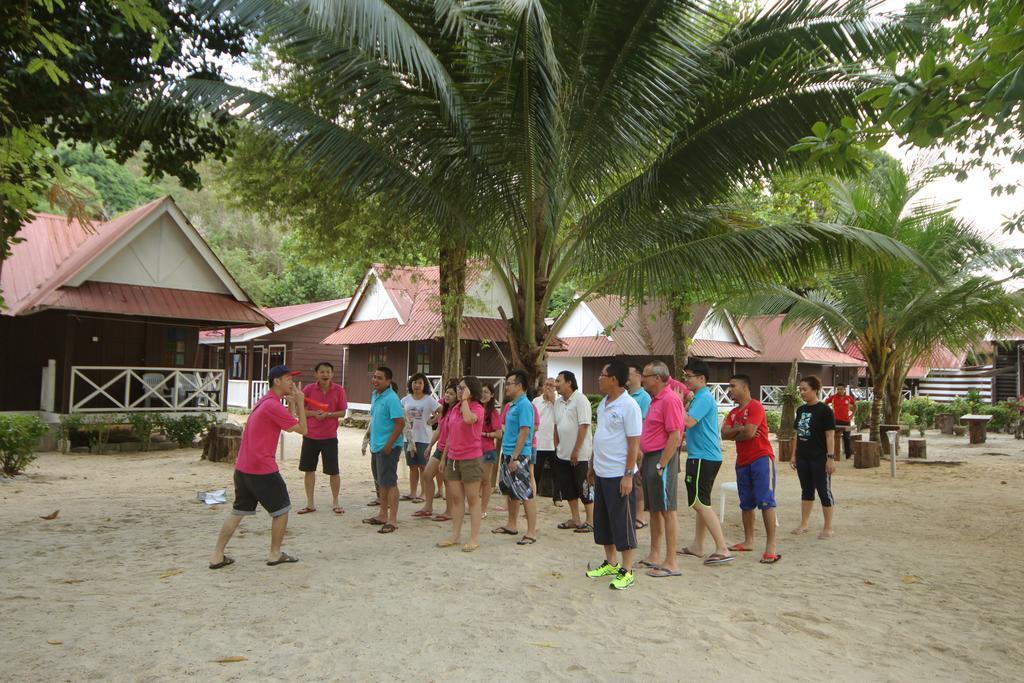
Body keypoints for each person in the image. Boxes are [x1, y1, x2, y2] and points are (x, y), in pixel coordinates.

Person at [209, 365, 307, 569]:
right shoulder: (273, 406)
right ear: (277, 382)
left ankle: (217, 555)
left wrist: (291, 406)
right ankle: (275, 553)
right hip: (262, 468)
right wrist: (300, 403)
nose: (292, 382)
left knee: (238, 511)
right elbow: (303, 430)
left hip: (243, 467)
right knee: (281, 510)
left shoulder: (265, 401)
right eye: (288, 379)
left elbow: (285, 425)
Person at [584, 361, 642, 590]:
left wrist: (628, 475)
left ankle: (627, 570)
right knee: (604, 520)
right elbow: (601, 436)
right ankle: (610, 562)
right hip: (601, 470)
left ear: (614, 380)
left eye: (602, 375)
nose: (599, 378)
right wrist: (591, 464)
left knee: (622, 521)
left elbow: (633, 443)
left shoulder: (629, 406)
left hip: (620, 473)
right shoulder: (604, 404)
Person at [677, 359, 733, 566]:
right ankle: (698, 546)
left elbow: (689, 422)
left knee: (699, 502)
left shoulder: (703, 397)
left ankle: (722, 547)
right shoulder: (700, 397)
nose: (686, 381)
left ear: (701, 378)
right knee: (702, 502)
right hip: (704, 456)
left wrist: (677, 402)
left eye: (689, 376)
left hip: (703, 457)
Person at [721, 374, 779, 564]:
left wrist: (737, 430)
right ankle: (748, 541)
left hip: (761, 458)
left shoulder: (755, 406)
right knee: (746, 503)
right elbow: (723, 434)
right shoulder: (733, 413)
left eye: (733, 386)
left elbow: (749, 432)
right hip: (743, 460)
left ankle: (771, 546)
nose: (730, 390)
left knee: (766, 501)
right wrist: (739, 430)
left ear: (745, 387)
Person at [635, 361, 685, 577]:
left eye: (644, 375)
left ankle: (671, 561)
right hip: (651, 458)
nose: (641, 378)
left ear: (657, 378)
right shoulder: (655, 400)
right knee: (655, 509)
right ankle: (655, 554)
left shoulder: (670, 400)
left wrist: (661, 464)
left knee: (667, 509)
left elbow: (675, 435)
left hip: (661, 458)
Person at [437, 376, 486, 551]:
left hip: (471, 458)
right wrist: (444, 458)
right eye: (458, 388)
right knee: (456, 499)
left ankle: (473, 538)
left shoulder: (477, 408)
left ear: (471, 390)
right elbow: (450, 434)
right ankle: (455, 535)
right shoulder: (455, 408)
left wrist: (465, 400)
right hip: (454, 458)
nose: (459, 391)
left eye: (462, 388)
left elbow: (468, 419)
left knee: (472, 499)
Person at [492, 368, 538, 545]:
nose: (507, 387)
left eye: (510, 383)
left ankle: (531, 532)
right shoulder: (513, 405)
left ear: (519, 385)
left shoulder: (525, 405)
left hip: (519, 455)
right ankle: (511, 524)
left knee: (525, 493)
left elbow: (525, 431)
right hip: (509, 453)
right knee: (511, 491)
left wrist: (516, 457)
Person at [296, 361, 348, 515]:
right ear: (316, 374)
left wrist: (328, 415)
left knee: (334, 471)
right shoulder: (309, 389)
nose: (325, 375)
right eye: (322, 372)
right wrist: (314, 414)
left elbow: (343, 412)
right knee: (309, 470)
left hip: (330, 437)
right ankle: (310, 503)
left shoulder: (339, 390)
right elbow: (301, 411)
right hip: (310, 435)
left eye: (328, 372)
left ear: (332, 374)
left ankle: (336, 501)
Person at [791, 375, 837, 539]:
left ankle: (828, 527)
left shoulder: (825, 410)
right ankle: (804, 524)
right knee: (806, 490)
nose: (802, 392)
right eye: (800, 390)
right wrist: (794, 455)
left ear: (815, 390)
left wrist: (830, 458)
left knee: (824, 491)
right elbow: (797, 434)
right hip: (803, 456)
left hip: (820, 457)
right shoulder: (801, 410)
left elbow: (830, 436)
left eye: (805, 389)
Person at [363, 367, 405, 534]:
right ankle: (382, 514)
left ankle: (393, 520)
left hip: (389, 447)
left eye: (380, 378)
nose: (375, 380)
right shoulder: (375, 395)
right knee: (381, 482)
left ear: (388, 381)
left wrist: (389, 444)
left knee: (390, 482)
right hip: (376, 446)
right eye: (374, 377)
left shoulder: (392, 398)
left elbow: (400, 423)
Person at [552, 370, 594, 533]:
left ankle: (590, 520)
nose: (556, 385)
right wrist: (557, 447)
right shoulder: (558, 403)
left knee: (583, 486)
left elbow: (584, 426)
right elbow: (556, 426)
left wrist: (576, 450)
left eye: (558, 381)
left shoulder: (580, 400)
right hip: (562, 453)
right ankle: (575, 519)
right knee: (568, 487)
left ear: (569, 382)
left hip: (580, 454)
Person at [413, 381, 458, 520]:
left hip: (451, 450)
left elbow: (452, 434)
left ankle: (449, 511)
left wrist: (444, 457)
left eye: (451, 393)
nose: (448, 396)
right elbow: (439, 429)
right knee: (427, 474)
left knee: (447, 480)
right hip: (440, 448)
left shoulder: (457, 411)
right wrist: (430, 445)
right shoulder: (444, 409)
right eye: (447, 393)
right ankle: (428, 506)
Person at [401, 373, 439, 503]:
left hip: (424, 437)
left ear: (424, 385)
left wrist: (433, 421)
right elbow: (399, 412)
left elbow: (442, 410)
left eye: (420, 383)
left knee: (423, 466)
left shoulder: (428, 400)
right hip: (409, 438)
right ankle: (412, 492)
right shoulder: (405, 399)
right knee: (412, 466)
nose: (417, 385)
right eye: (414, 382)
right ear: (411, 384)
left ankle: (423, 493)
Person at [627, 364, 652, 530]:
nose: (627, 377)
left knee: (637, 482)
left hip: (638, 446)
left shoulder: (644, 398)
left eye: (630, 374)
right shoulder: (627, 396)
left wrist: (639, 447)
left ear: (639, 377)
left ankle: (640, 516)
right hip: (628, 446)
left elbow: (643, 424)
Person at [533, 377, 560, 507]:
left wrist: (553, 400)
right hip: (538, 443)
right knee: (535, 472)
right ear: (543, 386)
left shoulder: (559, 402)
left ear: (555, 388)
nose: (549, 387)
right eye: (547, 384)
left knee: (557, 472)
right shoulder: (536, 401)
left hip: (553, 443)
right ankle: (532, 495)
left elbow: (560, 417)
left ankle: (557, 497)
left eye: (552, 385)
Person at [479, 382, 502, 515]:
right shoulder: (475, 408)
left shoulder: (493, 412)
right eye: (482, 391)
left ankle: (483, 510)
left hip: (487, 450)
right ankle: (475, 507)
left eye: (486, 392)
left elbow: (499, 434)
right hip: (474, 450)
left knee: (485, 480)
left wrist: (485, 434)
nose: (483, 394)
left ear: (492, 395)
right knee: (475, 480)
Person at [825, 383, 856, 459]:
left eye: (841, 389)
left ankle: (848, 456)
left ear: (844, 389)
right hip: (835, 421)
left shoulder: (849, 398)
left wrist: (851, 416)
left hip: (846, 422)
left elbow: (855, 406)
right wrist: (829, 415)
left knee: (847, 438)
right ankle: (830, 454)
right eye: (838, 389)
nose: (839, 390)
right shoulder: (833, 397)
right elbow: (824, 404)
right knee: (831, 437)